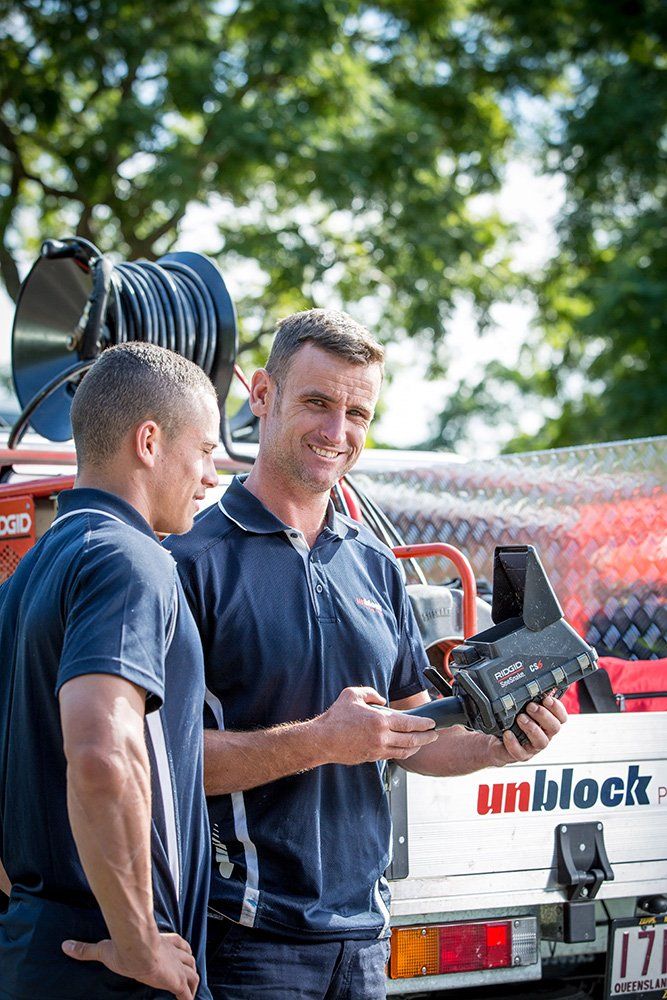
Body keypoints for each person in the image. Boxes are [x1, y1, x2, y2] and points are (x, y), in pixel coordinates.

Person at [166, 310, 568, 1000]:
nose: (336, 432)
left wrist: (501, 746)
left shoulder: (376, 564)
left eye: (357, 412)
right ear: (262, 395)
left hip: (365, 942)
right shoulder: (190, 561)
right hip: (246, 938)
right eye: (317, 403)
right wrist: (321, 741)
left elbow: (411, 737)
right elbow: (166, 766)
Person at [0, 342, 221, 1000]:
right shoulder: (128, 558)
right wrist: (137, 941)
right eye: (205, 451)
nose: (211, 476)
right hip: (112, 966)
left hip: (38, 949)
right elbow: (101, 753)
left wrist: (32, 905)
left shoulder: (28, 575)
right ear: (148, 441)